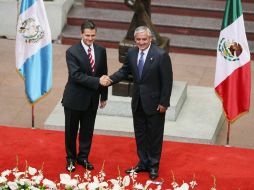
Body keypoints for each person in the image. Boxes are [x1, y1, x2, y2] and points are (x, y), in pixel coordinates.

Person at [108, 26, 173, 180]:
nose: (141, 42)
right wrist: (110, 79)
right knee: (140, 134)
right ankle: (143, 162)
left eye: (144, 39)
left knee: (154, 135)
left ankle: (153, 166)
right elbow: (124, 71)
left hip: (155, 103)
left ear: (150, 39)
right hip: (137, 101)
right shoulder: (131, 53)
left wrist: (164, 103)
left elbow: (167, 81)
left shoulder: (161, 55)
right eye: (138, 39)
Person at [61, 20, 111, 172]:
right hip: (74, 98)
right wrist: (98, 81)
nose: (90, 39)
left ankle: (83, 157)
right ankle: (70, 158)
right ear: (81, 34)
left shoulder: (101, 51)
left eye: (93, 35)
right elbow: (76, 75)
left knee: (87, 130)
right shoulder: (72, 51)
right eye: (87, 35)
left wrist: (104, 96)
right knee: (71, 130)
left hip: (92, 99)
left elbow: (104, 72)